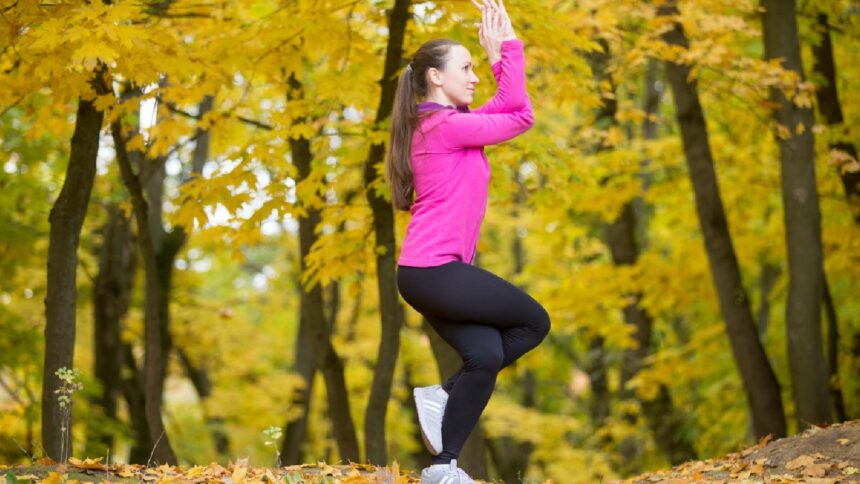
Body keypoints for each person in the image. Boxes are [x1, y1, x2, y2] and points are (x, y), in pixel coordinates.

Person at [384, 0, 551, 482]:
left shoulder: (445, 125)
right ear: (436, 77)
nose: (474, 76)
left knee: (488, 356)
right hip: (434, 272)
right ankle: (443, 396)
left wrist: (503, 56)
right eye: (466, 68)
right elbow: (521, 117)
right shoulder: (445, 127)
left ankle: (444, 467)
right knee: (534, 321)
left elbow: (508, 108)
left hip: (430, 274)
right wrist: (509, 49)